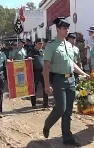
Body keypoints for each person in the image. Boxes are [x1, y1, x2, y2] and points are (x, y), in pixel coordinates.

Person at [42, 17, 88, 147]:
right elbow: (46, 66)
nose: (67, 30)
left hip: (71, 80)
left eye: (68, 28)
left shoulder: (69, 45)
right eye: (64, 28)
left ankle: (67, 137)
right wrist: (46, 84)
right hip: (59, 80)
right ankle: (47, 124)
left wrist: (83, 73)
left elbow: (72, 64)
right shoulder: (52, 45)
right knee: (60, 108)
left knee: (68, 110)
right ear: (58, 30)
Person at [28, 38, 49, 108]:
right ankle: (33, 104)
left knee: (46, 87)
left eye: (42, 44)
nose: (41, 45)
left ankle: (46, 103)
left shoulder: (44, 51)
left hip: (43, 71)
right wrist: (29, 59)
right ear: (35, 44)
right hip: (35, 72)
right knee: (34, 88)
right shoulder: (31, 52)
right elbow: (27, 60)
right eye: (39, 43)